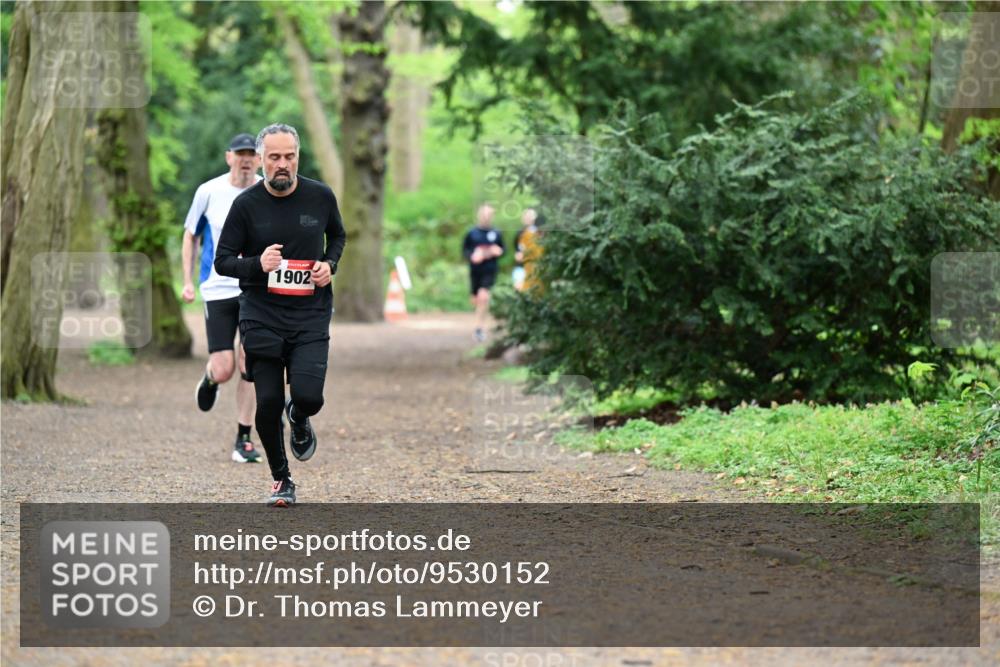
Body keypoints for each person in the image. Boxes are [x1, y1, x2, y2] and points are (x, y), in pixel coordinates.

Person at [215, 123, 346, 507]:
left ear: (298, 157)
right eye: (274, 157)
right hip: (262, 314)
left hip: (310, 314)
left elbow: (338, 236)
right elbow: (223, 260)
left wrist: (329, 265)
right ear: (261, 160)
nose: (283, 164)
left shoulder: (320, 196)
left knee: (310, 397)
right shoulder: (246, 205)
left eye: (289, 156)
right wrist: (257, 263)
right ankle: (281, 479)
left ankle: (300, 415)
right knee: (268, 403)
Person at [182, 133, 262, 464]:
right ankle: (211, 377)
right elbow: (190, 235)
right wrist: (188, 281)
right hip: (217, 288)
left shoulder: (266, 190)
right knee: (225, 367)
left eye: (251, 154)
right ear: (229, 157)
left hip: (255, 288)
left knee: (250, 363)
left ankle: (244, 438)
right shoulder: (208, 191)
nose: (246, 160)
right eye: (240, 154)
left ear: (259, 159)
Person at [462, 204, 504, 342]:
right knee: (476, 300)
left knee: (483, 297)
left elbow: (503, 249)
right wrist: (473, 256)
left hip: (489, 271)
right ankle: (477, 323)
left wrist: (497, 251)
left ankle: (479, 328)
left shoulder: (496, 233)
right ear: (479, 215)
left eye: (489, 214)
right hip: (475, 271)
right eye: (484, 214)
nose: (486, 217)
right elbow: (465, 251)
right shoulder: (471, 233)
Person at [512, 208, 538, 291]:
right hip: (521, 267)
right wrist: (518, 255)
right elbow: (517, 250)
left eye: (530, 216)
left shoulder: (539, 233)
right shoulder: (519, 233)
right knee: (519, 289)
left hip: (535, 267)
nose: (528, 218)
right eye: (526, 216)